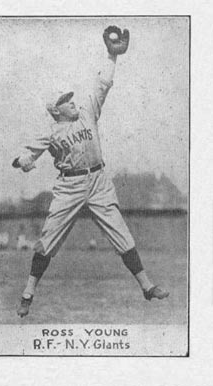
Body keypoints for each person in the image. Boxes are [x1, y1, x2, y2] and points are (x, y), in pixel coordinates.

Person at [13, 26, 169, 318]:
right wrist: (24, 162)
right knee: (48, 240)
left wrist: (113, 55)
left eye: (71, 98)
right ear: (56, 110)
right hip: (69, 187)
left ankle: (147, 287)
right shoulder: (50, 132)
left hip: (98, 180)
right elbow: (26, 154)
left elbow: (103, 84)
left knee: (121, 233)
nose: (73, 101)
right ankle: (28, 293)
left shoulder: (86, 112)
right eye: (66, 100)